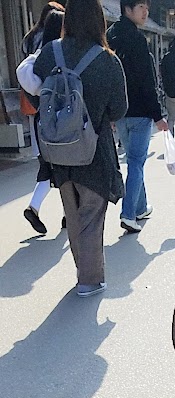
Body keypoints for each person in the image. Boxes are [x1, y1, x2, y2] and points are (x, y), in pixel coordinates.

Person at [33, 0, 128, 297]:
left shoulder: (50, 52)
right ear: (99, 20)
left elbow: (35, 92)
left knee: (72, 215)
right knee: (90, 216)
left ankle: (85, 273)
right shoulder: (107, 60)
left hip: (58, 150)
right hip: (93, 151)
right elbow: (118, 109)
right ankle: (89, 279)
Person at [107, 0, 168, 234]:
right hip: (141, 112)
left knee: (133, 160)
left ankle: (140, 207)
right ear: (128, 9)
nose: (146, 12)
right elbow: (146, 82)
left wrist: (109, 110)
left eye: (146, 8)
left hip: (120, 112)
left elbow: (108, 78)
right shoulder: (138, 40)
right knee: (135, 162)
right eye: (141, 7)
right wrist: (158, 115)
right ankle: (128, 213)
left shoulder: (110, 36)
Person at [18, 9, 66, 235]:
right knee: (67, 166)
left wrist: (39, 95)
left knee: (47, 165)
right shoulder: (63, 52)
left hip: (41, 119)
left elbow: (22, 72)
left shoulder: (36, 55)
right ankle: (69, 214)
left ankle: (34, 207)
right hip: (65, 119)